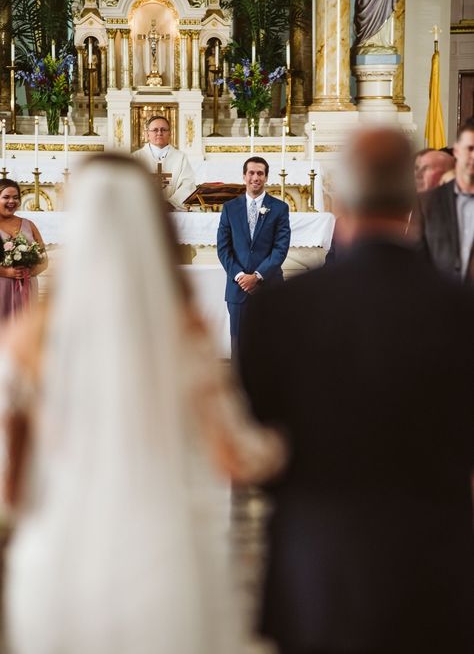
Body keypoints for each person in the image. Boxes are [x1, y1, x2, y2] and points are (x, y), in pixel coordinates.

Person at [2, 154, 285, 654]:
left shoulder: (33, 338)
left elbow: (10, 479)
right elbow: (240, 456)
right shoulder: (184, 334)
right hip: (163, 554)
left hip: (58, 557)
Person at [239, 127, 474, 654]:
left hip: (317, 561)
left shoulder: (281, 311)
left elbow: (262, 438)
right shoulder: (459, 310)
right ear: (413, 199)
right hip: (435, 557)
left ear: (339, 200)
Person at [217, 156, 290, 355]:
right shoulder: (230, 208)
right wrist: (241, 277)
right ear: (244, 176)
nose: (255, 177)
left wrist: (257, 276)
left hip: (269, 286)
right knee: (239, 346)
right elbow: (223, 248)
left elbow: (280, 249)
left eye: (260, 173)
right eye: (251, 173)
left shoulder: (280, 208)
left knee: (270, 344)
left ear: (266, 177)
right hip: (237, 289)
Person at [413, 118, 474, 282]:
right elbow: (416, 263)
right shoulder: (428, 203)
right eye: (470, 148)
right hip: (439, 302)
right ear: (457, 151)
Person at [0, 179, 47, 322]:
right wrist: (7, 272)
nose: (11, 201)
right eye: (6, 197)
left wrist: (29, 272)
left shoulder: (29, 225)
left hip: (27, 288)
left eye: (15, 197)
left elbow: (44, 259)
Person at [132, 115, 196, 209]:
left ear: (170, 133)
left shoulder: (180, 157)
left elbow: (188, 184)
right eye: (155, 130)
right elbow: (130, 186)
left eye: (163, 130)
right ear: (147, 134)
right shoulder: (135, 158)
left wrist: (172, 203)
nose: (159, 133)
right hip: (143, 210)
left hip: (174, 212)